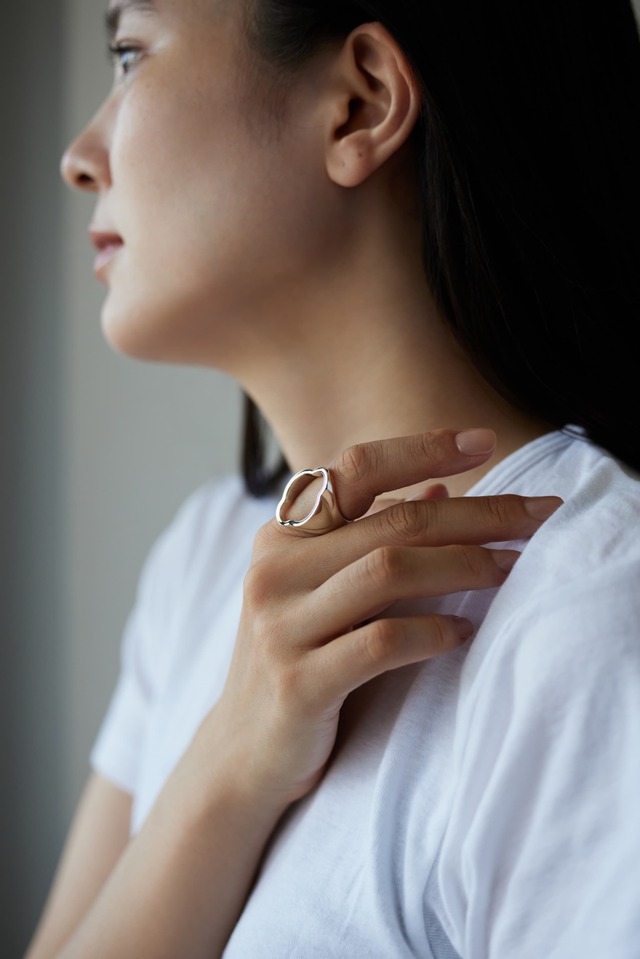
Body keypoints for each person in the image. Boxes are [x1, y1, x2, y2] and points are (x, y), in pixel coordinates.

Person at [27, 0, 640, 956]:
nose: (77, 156)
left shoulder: (592, 605)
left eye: (130, 53)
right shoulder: (201, 558)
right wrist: (229, 763)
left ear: (360, 104)